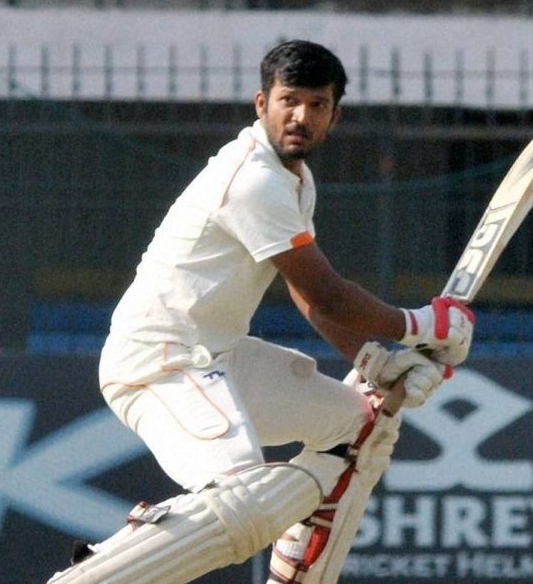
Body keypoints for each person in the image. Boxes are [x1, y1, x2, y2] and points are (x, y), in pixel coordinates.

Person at [47, 40, 475, 584]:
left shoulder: (294, 178)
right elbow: (327, 294)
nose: (301, 116)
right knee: (245, 502)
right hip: (159, 364)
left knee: (357, 425)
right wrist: (423, 326)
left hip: (216, 355)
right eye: (288, 101)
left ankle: (300, 576)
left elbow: (304, 291)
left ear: (335, 116)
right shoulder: (253, 179)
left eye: (317, 105)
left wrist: (374, 360)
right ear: (261, 103)